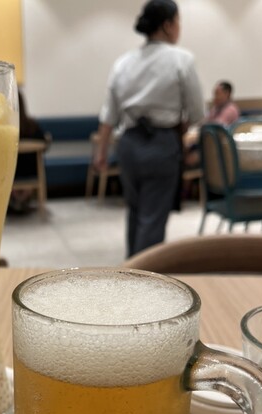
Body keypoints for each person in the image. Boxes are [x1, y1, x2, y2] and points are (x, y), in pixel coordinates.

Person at [94, 0, 204, 257]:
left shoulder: (123, 62)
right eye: (178, 22)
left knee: (134, 212)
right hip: (162, 144)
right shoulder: (182, 60)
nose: (179, 28)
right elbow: (197, 113)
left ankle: (131, 268)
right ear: (167, 25)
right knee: (152, 217)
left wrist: (101, 153)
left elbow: (109, 114)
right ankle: (145, 274)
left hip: (128, 143)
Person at [9, 89, 50, 213]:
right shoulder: (33, 126)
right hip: (32, 175)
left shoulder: (5, 130)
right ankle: (25, 198)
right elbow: (45, 145)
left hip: (11, 177)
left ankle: (14, 200)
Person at [184, 80, 240, 167]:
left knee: (189, 158)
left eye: (218, 94)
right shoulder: (216, 109)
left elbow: (215, 128)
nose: (215, 97)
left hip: (222, 150)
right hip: (210, 145)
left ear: (227, 94)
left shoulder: (230, 109)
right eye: (214, 94)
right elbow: (204, 122)